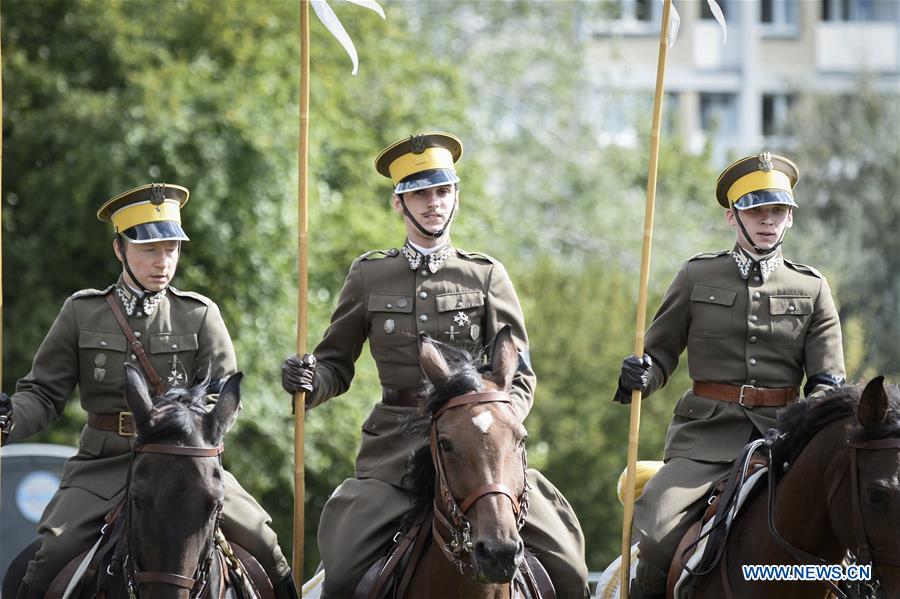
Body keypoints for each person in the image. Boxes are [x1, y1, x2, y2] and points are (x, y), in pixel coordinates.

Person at [282, 132, 590, 597]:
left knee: (568, 568)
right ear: (398, 204)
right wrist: (311, 380)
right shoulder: (369, 275)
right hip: (394, 452)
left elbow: (520, 375)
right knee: (342, 574)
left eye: (442, 191)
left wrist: (495, 427)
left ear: (456, 197)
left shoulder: (486, 275)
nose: (433, 204)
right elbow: (335, 365)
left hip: (484, 457)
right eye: (420, 194)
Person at [0, 183, 298, 599]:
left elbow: (222, 399)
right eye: (149, 250)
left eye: (171, 249)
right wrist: (10, 416)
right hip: (104, 464)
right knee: (51, 555)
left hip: (184, 468)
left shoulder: (199, 314)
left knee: (266, 544)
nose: (163, 262)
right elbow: (45, 394)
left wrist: (189, 429)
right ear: (120, 249)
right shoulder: (82, 312)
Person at [615, 152, 846, 599]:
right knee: (659, 537)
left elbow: (827, 380)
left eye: (777, 210)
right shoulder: (696, 275)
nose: (767, 221)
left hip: (784, 440)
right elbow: (660, 354)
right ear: (732, 216)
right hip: (704, 439)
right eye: (756, 210)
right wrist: (643, 372)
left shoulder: (812, 288)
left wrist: (820, 406)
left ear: (790, 219)